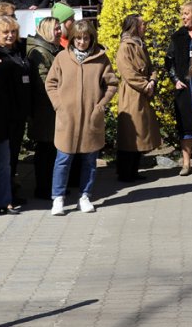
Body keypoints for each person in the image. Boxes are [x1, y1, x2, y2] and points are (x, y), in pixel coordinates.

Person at [44, 19, 119, 214]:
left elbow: (112, 84)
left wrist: (101, 105)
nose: (82, 42)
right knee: (63, 159)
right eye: (78, 38)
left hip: (90, 119)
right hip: (67, 118)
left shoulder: (101, 59)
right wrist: (59, 105)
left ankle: (85, 196)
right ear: (72, 39)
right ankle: (58, 198)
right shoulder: (61, 57)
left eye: (86, 38)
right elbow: (50, 83)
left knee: (89, 161)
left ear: (91, 38)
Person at [0, 16, 32, 214]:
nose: (10, 35)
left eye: (13, 31)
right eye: (6, 32)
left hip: (19, 112)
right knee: (1, 158)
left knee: (13, 156)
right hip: (3, 113)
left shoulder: (17, 51)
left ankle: (9, 191)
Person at [115, 13, 161, 182]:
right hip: (132, 95)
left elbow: (150, 66)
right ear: (134, 26)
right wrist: (145, 85)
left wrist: (152, 81)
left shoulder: (140, 44)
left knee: (140, 134)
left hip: (142, 94)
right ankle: (125, 172)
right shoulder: (125, 47)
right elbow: (127, 72)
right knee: (130, 135)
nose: (145, 27)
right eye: (142, 24)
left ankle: (133, 171)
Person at [24, 15, 62, 201]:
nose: (59, 31)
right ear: (46, 31)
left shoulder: (52, 50)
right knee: (45, 151)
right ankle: (43, 189)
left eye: (59, 28)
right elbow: (44, 83)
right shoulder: (39, 51)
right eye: (56, 29)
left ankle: (50, 187)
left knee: (50, 150)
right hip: (44, 110)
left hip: (51, 109)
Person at [167, 2, 192, 177]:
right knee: (186, 125)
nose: (183, 17)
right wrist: (175, 79)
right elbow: (169, 61)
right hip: (184, 86)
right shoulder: (178, 37)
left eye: (186, 13)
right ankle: (186, 163)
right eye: (182, 14)